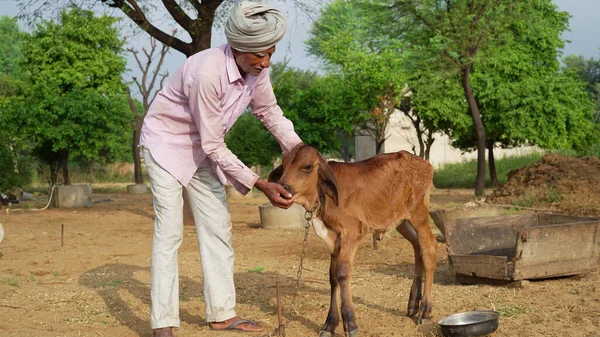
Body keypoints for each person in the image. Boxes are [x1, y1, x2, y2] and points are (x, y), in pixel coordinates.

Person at [139, 2, 302, 336]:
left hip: (201, 153)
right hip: (166, 147)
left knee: (217, 226)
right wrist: (260, 183)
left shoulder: (258, 70)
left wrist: (300, 152)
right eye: (259, 55)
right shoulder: (207, 72)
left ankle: (222, 314)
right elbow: (214, 144)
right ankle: (163, 323)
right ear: (238, 48)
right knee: (169, 233)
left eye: (270, 53)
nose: (265, 61)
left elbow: (269, 111)